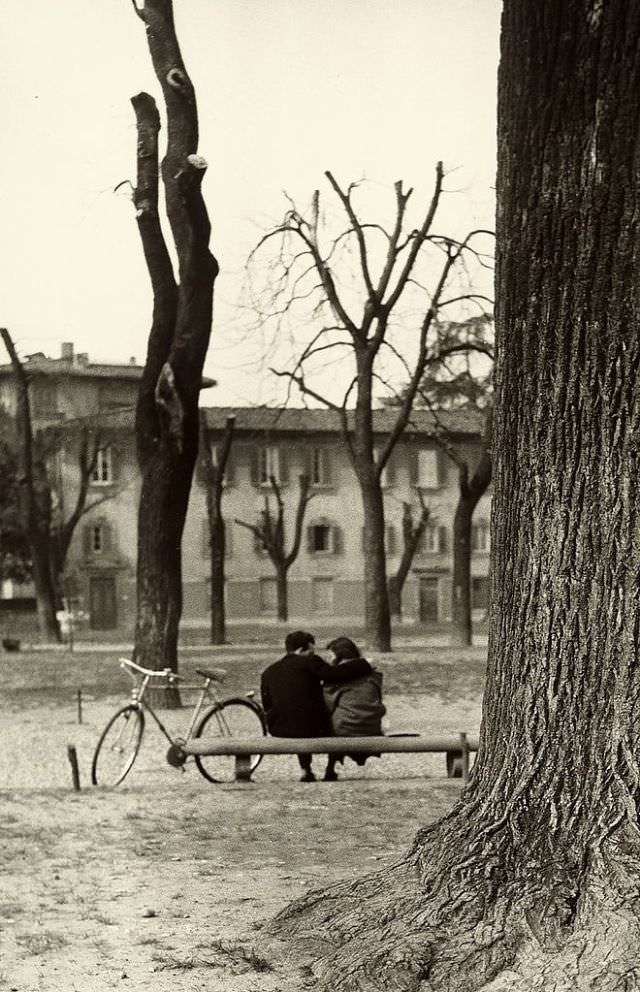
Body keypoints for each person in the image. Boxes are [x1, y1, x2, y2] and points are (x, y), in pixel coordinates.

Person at [260, 630, 372, 782]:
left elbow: (267, 704)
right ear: (301, 649)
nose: (313, 654)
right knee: (324, 718)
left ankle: (306, 769)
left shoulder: (269, 671)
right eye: (311, 650)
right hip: (311, 728)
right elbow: (334, 675)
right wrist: (364, 664)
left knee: (298, 713)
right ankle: (330, 769)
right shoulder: (310, 662)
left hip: (279, 729)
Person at [322, 636, 385, 781]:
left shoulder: (337, 678)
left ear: (339, 656)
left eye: (330, 655)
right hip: (371, 727)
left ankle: (330, 768)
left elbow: (328, 705)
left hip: (345, 729)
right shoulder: (373, 676)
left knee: (334, 722)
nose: (328, 660)